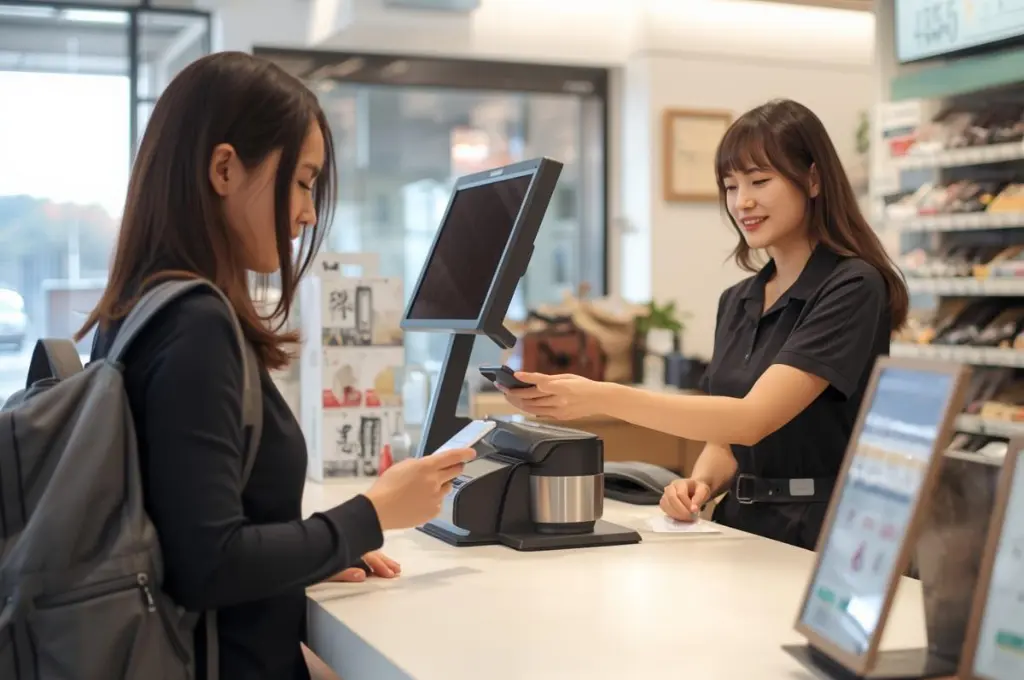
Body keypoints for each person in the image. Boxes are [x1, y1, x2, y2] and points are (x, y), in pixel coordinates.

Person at [75, 52, 475, 680]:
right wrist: (372, 514)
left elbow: (183, 530)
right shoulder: (196, 325)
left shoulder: (136, 311)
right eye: (302, 181)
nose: (308, 212)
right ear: (225, 169)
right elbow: (208, 564)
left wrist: (318, 548)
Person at [500, 98, 908, 550]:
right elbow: (726, 441)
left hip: (823, 531)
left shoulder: (852, 286)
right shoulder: (738, 300)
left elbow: (752, 419)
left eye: (759, 181)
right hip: (742, 525)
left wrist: (600, 396)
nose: (742, 202)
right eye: (731, 186)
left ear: (813, 179)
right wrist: (700, 483)